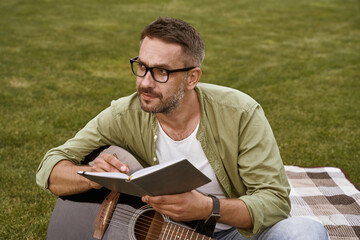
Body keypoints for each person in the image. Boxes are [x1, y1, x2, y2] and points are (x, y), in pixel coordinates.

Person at [36, 17, 328, 239]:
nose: (145, 82)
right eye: (141, 66)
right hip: (167, 232)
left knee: (305, 231)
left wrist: (207, 208)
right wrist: (93, 177)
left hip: (234, 232)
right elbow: (49, 169)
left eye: (161, 71)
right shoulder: (124, 113)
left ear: (192, 78)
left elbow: (275, 202)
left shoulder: (240, 113)